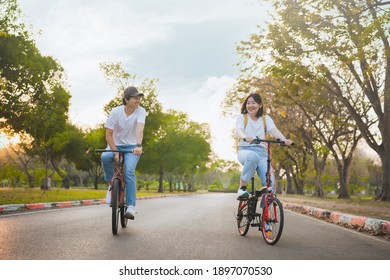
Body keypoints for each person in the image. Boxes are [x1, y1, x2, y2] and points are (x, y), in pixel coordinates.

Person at [235, 93, 292, 199]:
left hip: (262, 152)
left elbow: (273, 130)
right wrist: (245, 137)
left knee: (271, 186)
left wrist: (283, 139)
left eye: (253, 103)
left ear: (260, 105)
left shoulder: (265, 118)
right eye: (248, 103)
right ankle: (242, 188)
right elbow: (239, 130)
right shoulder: (242, 117)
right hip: (245, 150)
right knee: (252, 157)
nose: (250, 105)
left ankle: (267, 210)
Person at [101, 86, 146, 220]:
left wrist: (138, 145)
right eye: (135, 98)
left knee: (129, 171)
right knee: (104, 156)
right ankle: (110, 185)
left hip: (132, 147)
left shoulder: (141, 111)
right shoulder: (115, 112)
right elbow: (108, 135)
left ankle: (131, 206)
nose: (138, 100)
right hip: (116, 145)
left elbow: (140, 129)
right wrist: (115, 153)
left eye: (139, 98)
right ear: (126, 99)